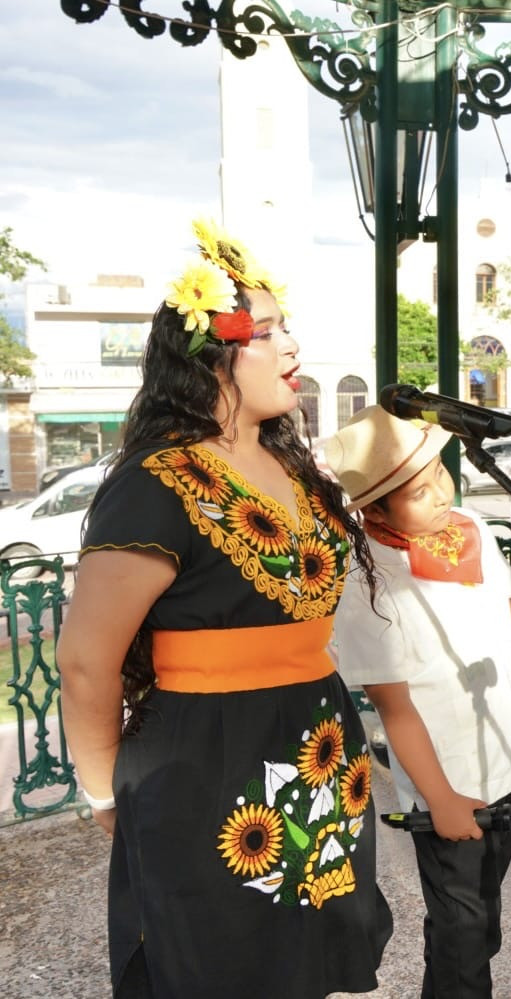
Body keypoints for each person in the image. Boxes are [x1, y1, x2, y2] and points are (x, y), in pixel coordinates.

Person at [56, 219, 392, 996]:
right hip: (204, 762)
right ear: (212, 351)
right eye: (268, 331)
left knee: (304, 964)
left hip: (315, 745)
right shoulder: (157, 481)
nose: (291, 347)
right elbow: (84, 660)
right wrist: (107, 791)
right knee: (218, 964)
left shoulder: (289, 464)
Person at [327, 405, 511, 998]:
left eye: (440, 476)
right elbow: (394, 707)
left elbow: (503, 597)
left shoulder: (470, 526)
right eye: (417, 491)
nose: (439, 495)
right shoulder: (369, 579)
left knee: (484, 915)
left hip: (502, 744)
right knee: (460, 925)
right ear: (375, 509)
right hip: (443, 772)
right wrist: (441, 797)